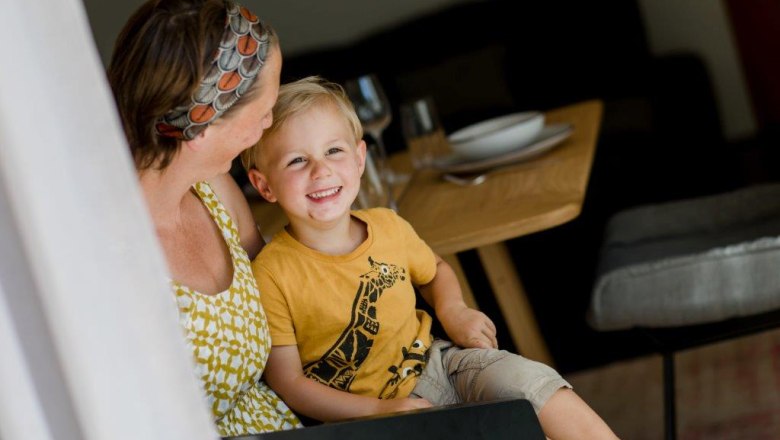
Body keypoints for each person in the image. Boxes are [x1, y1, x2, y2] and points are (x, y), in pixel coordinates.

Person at [241, 76, 619, 439]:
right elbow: (288, 382)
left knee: (527, 382)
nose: (320, 170)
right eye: (296, 161)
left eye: (333, 150)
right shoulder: (271, 274)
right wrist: (377, 411)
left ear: (359, 158)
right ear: (264, 185)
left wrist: (453, 310)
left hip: (440, 363)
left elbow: (434, 269)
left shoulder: (388, 226)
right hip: (364, 416)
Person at [107, 0, 302, 436]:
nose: (269, 123)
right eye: (263, 111)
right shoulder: (108, 259)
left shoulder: (213, 189)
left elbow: (285, 295)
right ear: (202, 130)